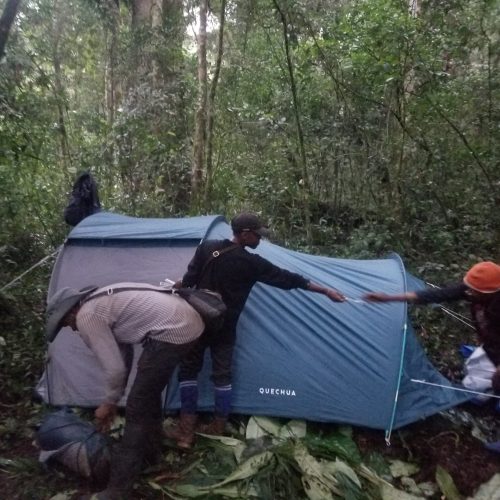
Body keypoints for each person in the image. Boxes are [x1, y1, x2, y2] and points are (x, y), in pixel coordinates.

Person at [165, 212, 346, 448]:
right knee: (222, 375)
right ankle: (218, 426)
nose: (261, 240)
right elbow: (288, 279)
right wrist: (325, 291)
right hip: (224, 327)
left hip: (195, 321)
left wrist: (178, 284)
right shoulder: (252, 263)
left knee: (188, 372)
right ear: (245, 234)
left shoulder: (207, 248)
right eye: (258, 235)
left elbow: (189, 280)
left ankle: (185, 434)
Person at [45, 282, 205, 499]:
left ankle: (117, 490)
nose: (72, 328)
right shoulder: (98, 304)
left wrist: (109, 402)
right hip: (187, 323)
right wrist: (115, 396)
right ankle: (152, 453)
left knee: (136, 409)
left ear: (71, 310)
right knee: (146, 394)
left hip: (175, 330)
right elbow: (123, 356)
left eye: (66, 323)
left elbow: (114, 369)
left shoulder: (86, 316)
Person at [364, 261, 500, 400]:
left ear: (490, 292)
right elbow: (438, 295)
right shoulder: (473, 292)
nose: (469, 292)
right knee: (473, 372)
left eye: (475, 291)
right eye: (469, 288)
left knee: (482, 393)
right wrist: (388, 298)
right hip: (491, 346)